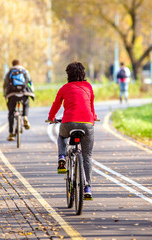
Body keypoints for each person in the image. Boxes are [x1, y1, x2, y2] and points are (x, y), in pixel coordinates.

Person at [48, 61, 98, 199]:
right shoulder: (88, 86)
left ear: (68, 75)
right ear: (83, 73)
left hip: (68, 123)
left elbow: (56, 105)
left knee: (62, 136)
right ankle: (87, 187)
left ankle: (62, 158)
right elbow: (91, 106)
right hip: (87, 124)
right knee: (87, 156)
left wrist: (51, 118)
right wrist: (93, 117)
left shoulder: (64, 88)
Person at [3, 59, 35, 141]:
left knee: (11, 112)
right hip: (23, 93)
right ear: (20, 64)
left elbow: (5, 85)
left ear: (12, 64)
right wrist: (32, 92)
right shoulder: (24, 71)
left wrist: (5, 95)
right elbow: (30, 82)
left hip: (12, 94)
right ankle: (25, 116)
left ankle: (11, 133)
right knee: (26, 104)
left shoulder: (9, 72)